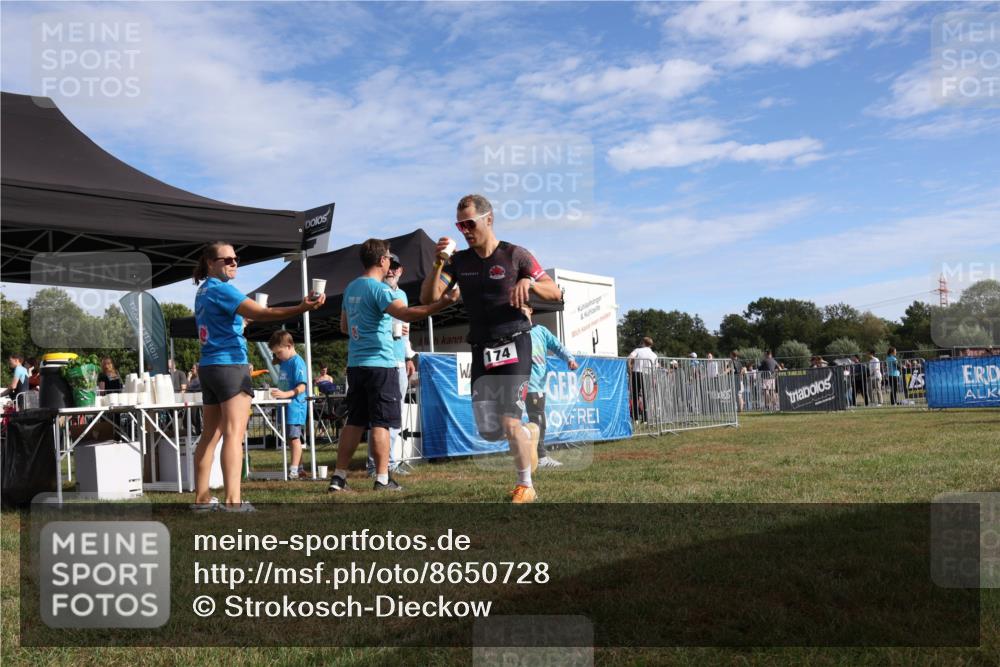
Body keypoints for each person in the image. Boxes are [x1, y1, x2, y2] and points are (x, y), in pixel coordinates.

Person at [420, 194, 562, 504]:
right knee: (489, 431)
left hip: (514, 341)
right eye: (460, 225)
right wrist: (438, 263)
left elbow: (555, 292)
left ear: (489, 219)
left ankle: (526, 485)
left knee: (509, 421)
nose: (465, 230)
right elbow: (429, 297)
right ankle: (529, 433)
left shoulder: (515, 255)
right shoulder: (459, 261)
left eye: (469, 223)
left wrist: (530, 284)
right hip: (481, 348)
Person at [191, 241, 325, 512]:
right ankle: (233, 501)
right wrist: (302, 307)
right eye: (226, 259)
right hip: (231, 366)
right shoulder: (223, 289)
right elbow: (265, 313)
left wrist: (241, 322)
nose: (233, 263)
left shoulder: (203, 291)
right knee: (233, 434)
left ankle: (202, 499)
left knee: (210, 435)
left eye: (235, 259)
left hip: (209, 366)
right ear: (209, 263)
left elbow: (224, 324)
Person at [329, 239, 457, 494]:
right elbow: (406, 314)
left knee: (354, 422)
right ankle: (383, 478)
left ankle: (338, 478)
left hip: (356, 365)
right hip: (381, 365)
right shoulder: (380, 290)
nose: (389, 262)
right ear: (381, 260)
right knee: (381, 423)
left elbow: (344, 327)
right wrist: (442, 304)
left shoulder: (351, 287)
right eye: (388, 257)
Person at [367, 253, 418, 477]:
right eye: (388, 266)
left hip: (398, 360)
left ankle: (392, 462)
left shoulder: (403, 295)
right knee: (378, 416)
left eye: (394, 267)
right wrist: (390, 331)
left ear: (400, 270)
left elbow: (405, 331)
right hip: (380, 361)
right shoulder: (376, 291)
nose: (390, 271)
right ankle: (374, 465)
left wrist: (408, 357)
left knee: (394, 416)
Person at [522, 304, 578, 469]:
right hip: (518, 383)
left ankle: (537, 457)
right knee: (531, 421)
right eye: (517, 308)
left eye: (523, 307)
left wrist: (569, 359)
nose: (520, 310)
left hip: (536, 385)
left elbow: (557, 346)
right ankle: (539, 458)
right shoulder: (513, 333)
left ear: (531, 310)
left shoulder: (541, 331)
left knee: (538, 422)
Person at [268, 330, 309, 480]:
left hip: (295, 406)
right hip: (285, 406)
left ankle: (293, 470)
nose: (277, 356)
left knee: (294, 438)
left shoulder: (297, 362)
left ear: (289, 346)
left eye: (279, 352)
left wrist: (286, 394)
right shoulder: (284, 362)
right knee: (291, 438)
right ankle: (300, 468)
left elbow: (302, 386)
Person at [627, 337, 658, 423]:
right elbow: (655, 367)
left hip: (636, 373)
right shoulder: (654, 355)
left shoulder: (637, 350)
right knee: (646, 397)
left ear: (643, 342)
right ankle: (645, 419)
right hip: (648, 374)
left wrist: (629, 368)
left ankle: (636, 418)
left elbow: (629, 358)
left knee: (635, 396)